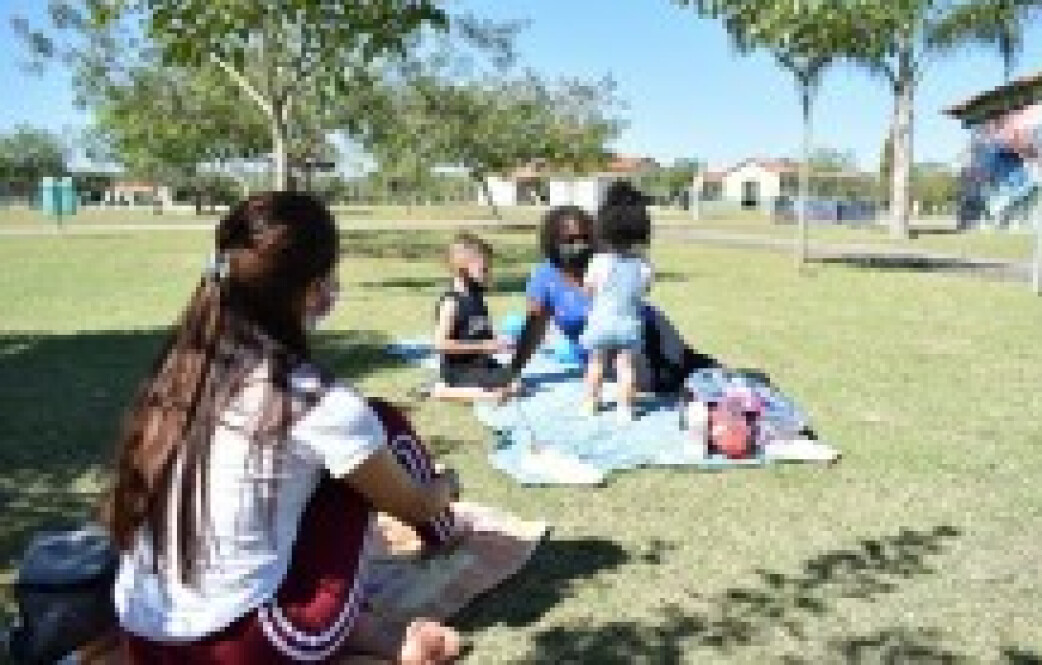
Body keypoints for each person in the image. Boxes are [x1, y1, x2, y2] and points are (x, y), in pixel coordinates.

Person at [105, 191, 462, 664]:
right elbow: (410, 504)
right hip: (249, 643)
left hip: (143, 635)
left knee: (342, 454)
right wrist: (444, 487)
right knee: (382, 425)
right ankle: (443, 536)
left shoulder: (181, 375)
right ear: (315, 290)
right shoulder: (319, 401)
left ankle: (374, 626)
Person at [507, 186, 715, 395]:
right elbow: (534, 327)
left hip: (644, 331)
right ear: (552, 242)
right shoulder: (544, 278)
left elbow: (637, 254)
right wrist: (513, 372)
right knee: (658, 385)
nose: (580, 245)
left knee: (697, 372)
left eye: (586, 237)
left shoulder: (606, 258)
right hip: (602, 351)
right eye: (570, 240)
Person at [579, 181, 653, 422]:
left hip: (600, 321)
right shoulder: (644, 265)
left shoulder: (599, 261)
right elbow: (644, 291)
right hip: (629, 324)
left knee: (596, 363)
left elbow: (588, 290)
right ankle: (625, 409)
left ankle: (591, 403)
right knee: (626, 367)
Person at [432, 233, 517, 402]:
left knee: (515, 380)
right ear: (463, 268)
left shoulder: (477, 295)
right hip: (459, 369)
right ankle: (443, 391)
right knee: (512, 388)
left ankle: (483, 391)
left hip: (480, 363)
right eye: (484, 269)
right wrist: (484, 346)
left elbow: (482, 329)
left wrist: (502, 342)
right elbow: (441, 344)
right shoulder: (451, 302)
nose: (488, 274)